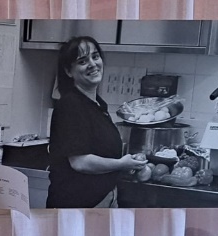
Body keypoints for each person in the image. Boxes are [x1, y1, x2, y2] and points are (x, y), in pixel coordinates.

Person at [45, 36, 146, 208]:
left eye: (95, 56)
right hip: (76, 206)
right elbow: (80, 162)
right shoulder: (70, 105)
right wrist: (121, 164)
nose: (92, 64)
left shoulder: (97, 104)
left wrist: (125, 163)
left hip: (103, 199)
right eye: (83, 61)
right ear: (69, 71)